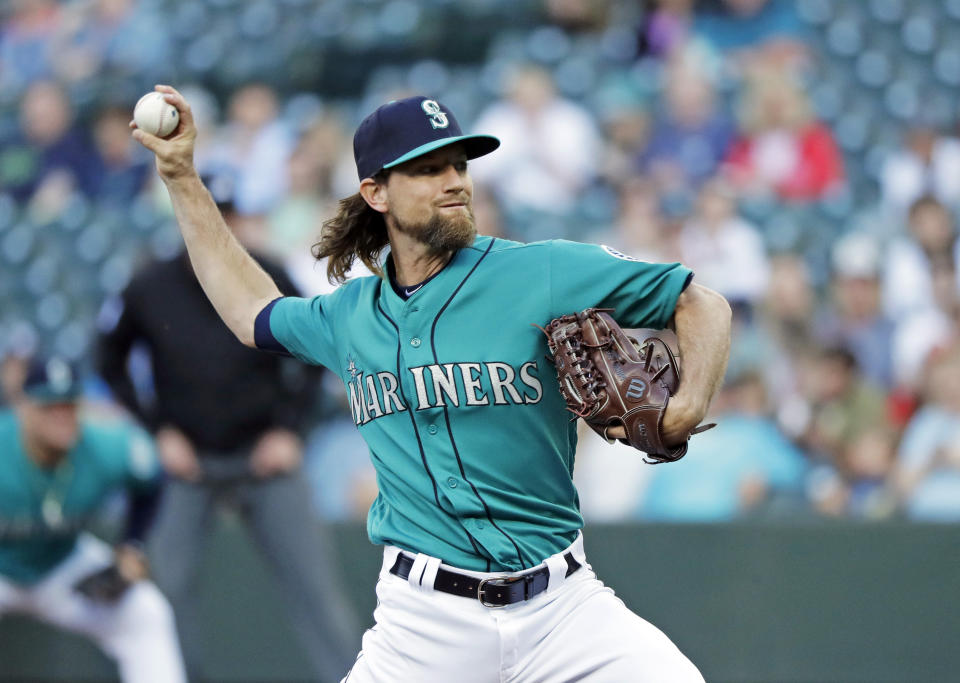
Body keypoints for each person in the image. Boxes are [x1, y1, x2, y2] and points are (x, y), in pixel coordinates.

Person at [132, 85, 731, 682]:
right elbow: (250, 311)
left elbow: (702, 305)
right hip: (423, 626)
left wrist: (682, 411)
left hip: (563, 610)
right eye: (427, 169)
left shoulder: (541, 270)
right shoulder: (349, 316)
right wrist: (182, 176)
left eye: (459, 165)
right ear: (376, 192)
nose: (455, 181)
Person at [96, 186, 359, 682]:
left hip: (264, 456)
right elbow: (108, 360)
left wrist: (288, 431)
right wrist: (157, 430)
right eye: (212, 213)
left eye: (230, 213)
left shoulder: (265, 273)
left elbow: (313, 355)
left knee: (317, 590)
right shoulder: (150, 284)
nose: (222, 224)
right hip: (188, 462)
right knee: (164, 593)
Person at [0, 355, 186, 683]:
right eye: (49, 405)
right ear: (24, 408)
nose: (62, 416)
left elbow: (152, 481)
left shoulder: (105, 447)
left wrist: (132, 544)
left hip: (60, 563)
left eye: (69, 405)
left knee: (145, 612)